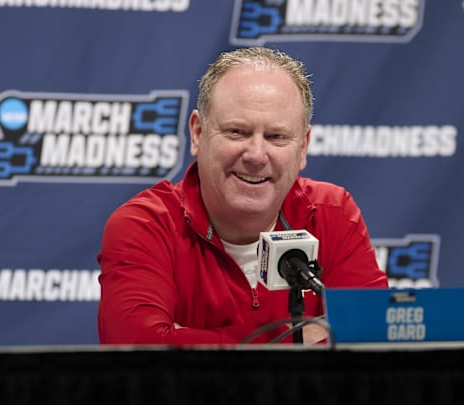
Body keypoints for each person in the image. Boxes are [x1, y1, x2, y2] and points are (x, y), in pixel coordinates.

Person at [97, 47, 388, 346]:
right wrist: (299, 337)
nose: (256, 155)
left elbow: (375, 337)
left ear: (302, 148)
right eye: (237, 131)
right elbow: (137, 349)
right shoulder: (144, 225)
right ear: (198, 134)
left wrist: (183, 337)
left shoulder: (332, 213)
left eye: (276, 137)